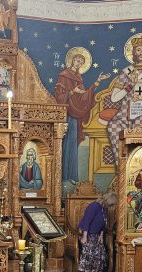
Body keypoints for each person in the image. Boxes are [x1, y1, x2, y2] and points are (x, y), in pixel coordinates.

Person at [54, 52, 109, 183]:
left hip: (75, 116)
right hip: (66, 115)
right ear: (72, 60)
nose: (78, 63)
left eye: (81, 62)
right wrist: (72, 92)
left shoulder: (78, 78)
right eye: (77, 60)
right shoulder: (63, 75)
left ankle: (71, 176)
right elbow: (59, 96)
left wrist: (97, 82)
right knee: (65, 143)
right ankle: (62, 176)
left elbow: (84, 97)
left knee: (73, 145)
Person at [77, 195, 109, 272]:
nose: (112, 207)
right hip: (88, 234)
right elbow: (86, 221)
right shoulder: (94, 206)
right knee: (89, 254)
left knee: (99, 255)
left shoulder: (103, 208)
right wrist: (84, 236)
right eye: (111, 205)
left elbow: (103, 222)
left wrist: (101, 235)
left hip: (96, 235)